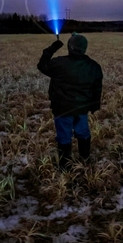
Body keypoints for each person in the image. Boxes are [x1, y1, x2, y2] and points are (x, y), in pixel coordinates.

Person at [37, 32, 103, 166]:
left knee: (64, 136)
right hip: (82, 108)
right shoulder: (94, 66)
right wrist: (94, 106)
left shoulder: (58, 63)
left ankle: (65, 166)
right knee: (83, 132)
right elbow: (97, 89)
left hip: (62, 108)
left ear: (69, 47)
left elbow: (42, 65)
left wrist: (52, 48)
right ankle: (84, 161)